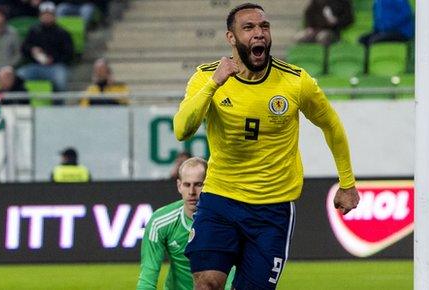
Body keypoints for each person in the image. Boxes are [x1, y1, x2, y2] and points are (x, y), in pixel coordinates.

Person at [173, 3, 360, 289]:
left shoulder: (295, 82)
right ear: (231, 38)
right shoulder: (206, 77)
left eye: (264, 27)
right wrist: (213, 84)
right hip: (220, 199)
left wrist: (347, 183)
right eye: (248, 28)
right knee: (207, 282)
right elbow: (182, 130)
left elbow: (331, 125)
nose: (259, 34)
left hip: (272, 209)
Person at [137, 157, 235, 290]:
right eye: (187, 184)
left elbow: (232, 272)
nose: (192, 192)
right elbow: (147, 279)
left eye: (199, 184)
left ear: (210, 185)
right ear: (179, 186)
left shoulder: (226, 222)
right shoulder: (159, 222)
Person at [17, 1, 74, 91]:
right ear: (40, 16)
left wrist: (53, 59)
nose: (47, 17)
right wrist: (32, 50)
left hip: (55, 66)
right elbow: (24, 48)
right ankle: (22, 102)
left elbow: (69, 54)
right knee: (19, 75)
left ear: (54, 16)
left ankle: (59, 104)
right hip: (36, 66)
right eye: (44, 14)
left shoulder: (63, 33)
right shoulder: (34, 31)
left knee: (60, 80)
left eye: (49, 14)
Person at [359, 0, 414, 74]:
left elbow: (406, 13)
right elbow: (377, 17)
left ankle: (368, 71)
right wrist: (376, 29)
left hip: (401, 32)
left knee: (373, 40)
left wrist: (389, 25)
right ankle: (363, 70)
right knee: (362, 40)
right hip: (384, 31)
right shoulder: (378, 1)